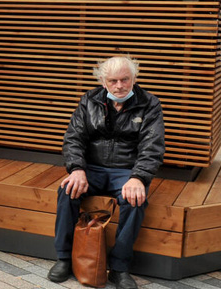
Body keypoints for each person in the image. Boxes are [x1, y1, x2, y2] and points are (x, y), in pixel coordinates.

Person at [48, 55, 164, 289]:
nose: (119, 86)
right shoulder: (89, 100)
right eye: (113, 81)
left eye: (125, 79)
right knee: (67, 190)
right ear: (103, 82)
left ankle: (119, 268)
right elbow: (74, 138)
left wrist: (138, 177)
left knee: (136, 200)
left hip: (126, 171)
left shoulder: (150, 103)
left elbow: (152, 146)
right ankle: (64, 258)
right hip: (92, 169)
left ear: (134, 78)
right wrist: (77, 169)